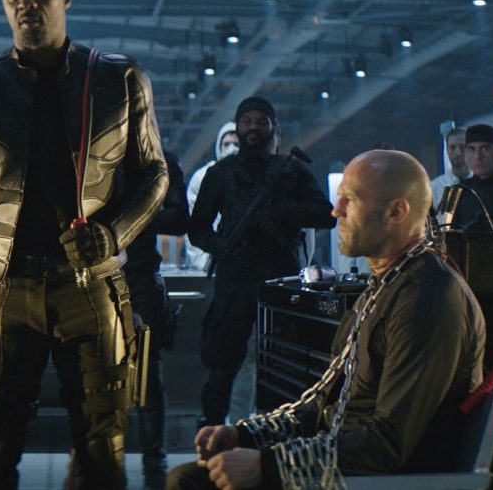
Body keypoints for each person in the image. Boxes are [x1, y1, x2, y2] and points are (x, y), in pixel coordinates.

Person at [0, 0, 168, 490]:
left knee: (103, 454)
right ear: (3, 2)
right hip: (4, 286)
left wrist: (113, 234)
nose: (27, 3)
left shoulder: (119, 78)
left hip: (91, 285)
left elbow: (155, 172)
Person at [168, 150, 486, 490]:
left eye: (351, 199)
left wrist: (268, 465)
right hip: (348, 463)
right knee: (192, 476)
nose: (336, 211)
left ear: (396, 212)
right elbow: (323, 405)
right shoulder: (388, 284)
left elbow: (387, 445)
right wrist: (244, 435)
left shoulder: (427, 299)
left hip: (380, 480)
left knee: (189, 482)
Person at [188, 96, 335, 427]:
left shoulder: (292, 169)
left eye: (261, 121)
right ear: (238, 126)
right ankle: (214, 436)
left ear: (273, 127)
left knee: (283, 366)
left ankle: (278, 437)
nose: (253, 126)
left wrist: (285, 213)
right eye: (247, 121)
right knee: (222, 367)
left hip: (280, 281)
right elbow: (197, 229)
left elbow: (327, 215)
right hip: (234, 279)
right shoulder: (220, 173)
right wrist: (220, 245)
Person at [123, 149, 188, 489]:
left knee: (147, 375)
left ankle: (153, 462)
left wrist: (137, 218)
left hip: (140, 280)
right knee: (95, 372)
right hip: (100, 274)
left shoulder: (159, 159)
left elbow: (179, 219)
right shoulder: (92, 151)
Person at [185, 122, 237, 272]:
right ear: (218, 146)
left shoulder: (250, 177)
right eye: (226, 144)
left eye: (236, 144)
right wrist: (203, 264)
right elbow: (194, 223)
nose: (231, 148)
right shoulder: (202, 177)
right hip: (208, 261)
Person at [430, 127, 471, 209]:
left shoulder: (481, 184)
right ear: (447, 150)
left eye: (462, 147)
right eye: (452, 148)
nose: (458, 153)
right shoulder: (434, 188)